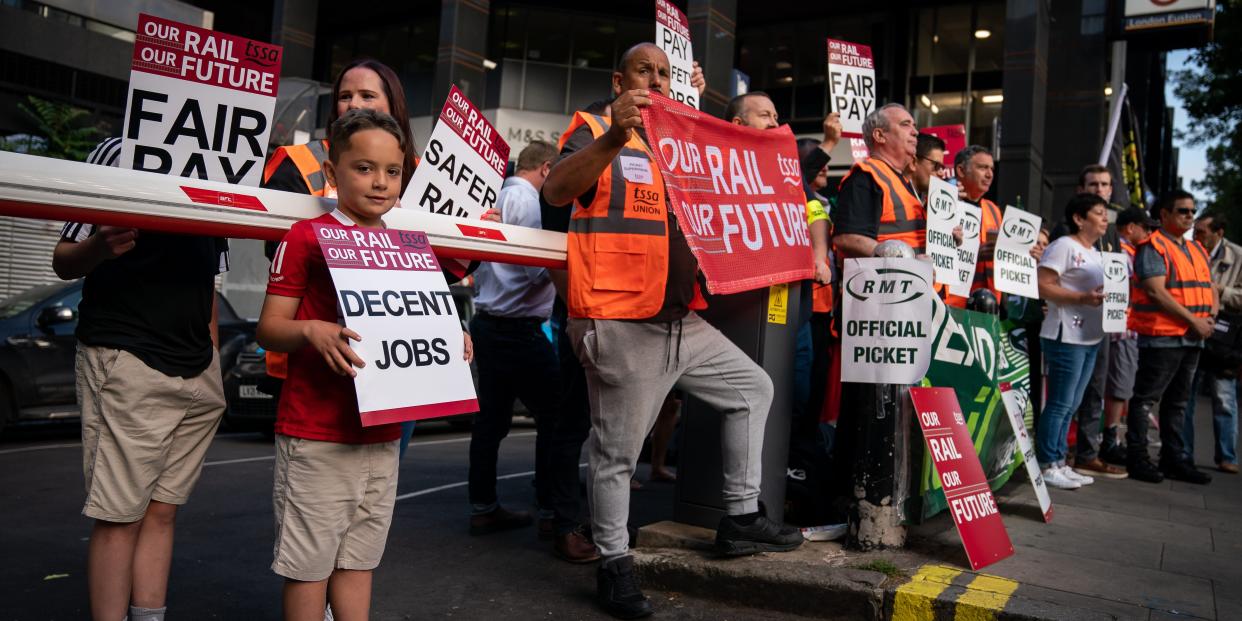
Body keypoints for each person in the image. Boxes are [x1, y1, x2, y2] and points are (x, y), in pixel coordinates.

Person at [543, 43, 801, 619]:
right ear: (619, 80)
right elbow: (557, 191)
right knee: (617, 455)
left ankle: (738, 518)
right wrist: (614, 135)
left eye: (665, 73)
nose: (656, 80)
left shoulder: (678, 135)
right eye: (645, 71)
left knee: (752, 389)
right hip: (619, 319)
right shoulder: (594, 127)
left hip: (681, 319)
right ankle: (613, 564)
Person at [258, 108, 465, 619]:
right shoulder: (306, 236)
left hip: (382, 434)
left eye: (392, 172)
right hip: (316, 432)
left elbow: (413, 319)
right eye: (364, 168)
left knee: (359, 561)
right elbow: (269, 327)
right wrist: (310, 329)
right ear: (333, 172)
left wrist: (450, 332)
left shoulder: (407, 245)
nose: (380, 182)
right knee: (308, 567)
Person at [261, 58, 486, 457]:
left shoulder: (419, 175)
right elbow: (277, 259)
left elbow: (434, 274)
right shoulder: (299, 162)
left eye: (368, 95)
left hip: (396, 377)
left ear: (393, 105)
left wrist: (475, 232)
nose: (354, 103)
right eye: (345, 96)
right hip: (321, 373)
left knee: (375, 501)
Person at [52, 138, 229, 621]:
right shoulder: (117, 150)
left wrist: (211, 359)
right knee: (118, 516)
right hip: (126, 353)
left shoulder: (225, 163)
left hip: (196, 367)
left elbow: (209, 279)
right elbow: (63, 256)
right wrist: (97, 246)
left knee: (162, 511)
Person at [467, 140, 562, 535]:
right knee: (556, 417)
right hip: (518, 329)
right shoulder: (530, 202)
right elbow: (535, 270)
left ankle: (484, 506)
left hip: (489, 323)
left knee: (491, 421)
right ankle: (551, 508)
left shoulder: (501, 196)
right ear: (546, 168)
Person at [1125, 190, 1216, 485]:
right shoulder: (1154, 246)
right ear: (1164, 215)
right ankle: (1138, 458)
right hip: (1163, 336)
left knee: (1178, 402)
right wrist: (1195, 322)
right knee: (1146, 400)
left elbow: (1209, 286)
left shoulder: (1197, 249)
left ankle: (1174, 459)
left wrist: (1209, 318)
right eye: (1182, 211)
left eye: (1192, 211)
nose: (1190, 216)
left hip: (1191, 337)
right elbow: (1155, 290)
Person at [1035, 194, 1110, 489]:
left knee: (1072, 403)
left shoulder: (1097, 252)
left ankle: (1060, 461)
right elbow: (1042, 285)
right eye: (1099, 213)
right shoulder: (1064, 246)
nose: (1105, 218)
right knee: (1060, 402)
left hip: (1091, 336)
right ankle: (1046, 463)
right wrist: (1081, 298)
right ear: (1079, 218)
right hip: (1065, 335)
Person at [1066, 165, 1127, 479]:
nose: (1100, 189)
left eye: (1105, 184)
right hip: (1072, 322)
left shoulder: (1112, 233)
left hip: (1101, 324)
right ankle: (1060, 451)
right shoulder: (1069, 230)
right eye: (1093, 184)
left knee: (1095, 388)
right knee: (1069, 391)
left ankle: (1087, 452)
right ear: (1081, 189)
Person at [1097, 207, 1156, 465]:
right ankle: (1110, 440)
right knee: (1120, 385)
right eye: (1147, 228)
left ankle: (1110, 438)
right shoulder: (1123, 252)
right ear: (1131, 227)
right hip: (1122, 326)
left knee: (1118, 385)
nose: (1150, 234)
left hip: (1120, 325)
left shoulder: (1120, 249)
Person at [1187, 212, 1241, 474]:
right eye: (1195, 231)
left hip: (1223, 340)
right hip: (1191, 331)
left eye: (1202, 232)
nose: (1197, 236)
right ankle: (1182, 452)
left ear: (1218, 233)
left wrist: (1217, 289)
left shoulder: (1238, 256)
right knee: (1184, 396)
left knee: (1224, 398)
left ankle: (1227, 456)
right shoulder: (1189, 250)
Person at [954, 145, 1006, 300]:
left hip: (989, 302)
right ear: (961, 170)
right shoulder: (946, 203)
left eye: (992, 169)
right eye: (983, 168)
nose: (990, 174)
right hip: (954, 300)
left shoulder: (993, 209)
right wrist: (974, 254)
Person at [906, 132, 946, 199]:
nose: (942, 173)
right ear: (914, 162)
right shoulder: (893, 196)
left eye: (942, 167)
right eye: (936, 165)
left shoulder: (928, 203)